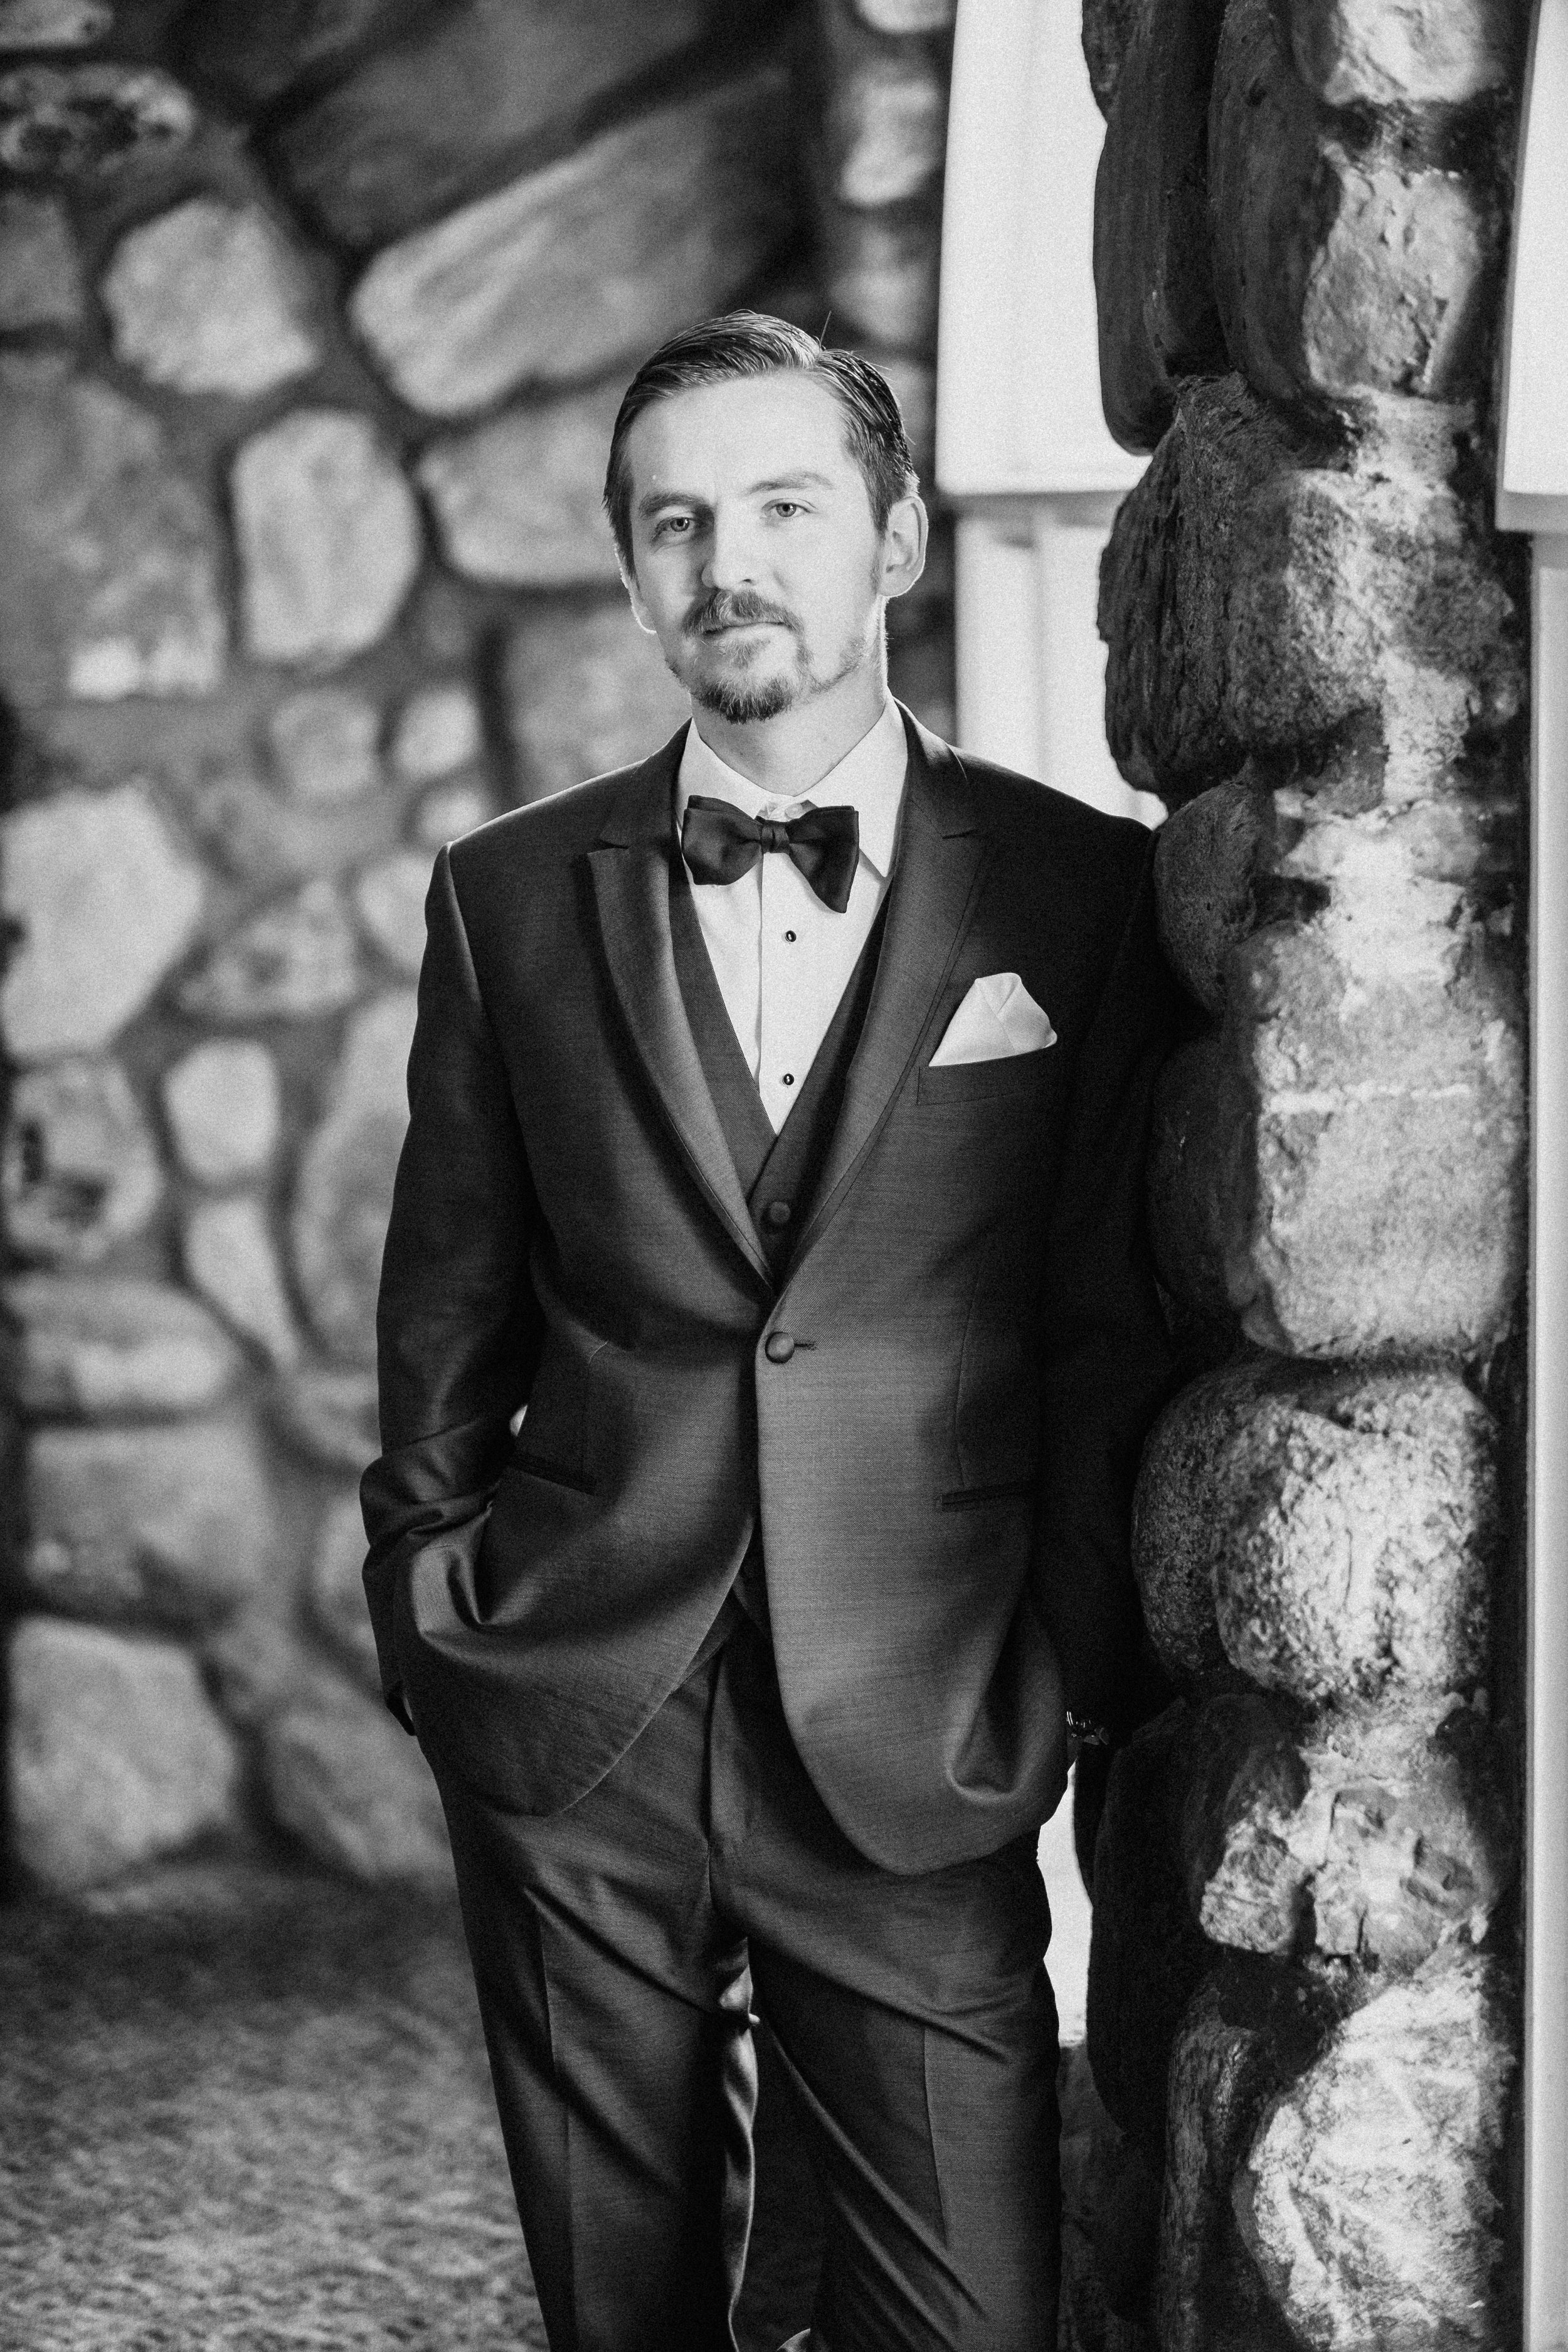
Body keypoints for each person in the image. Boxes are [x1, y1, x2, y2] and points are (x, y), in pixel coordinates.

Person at [360, 311, 1174, 2352]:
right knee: (621, 2315)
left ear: (895, 539)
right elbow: (446, 1306)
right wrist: (438, 1622)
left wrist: (1054, 1670)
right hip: (576, 1703)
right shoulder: (508, 896)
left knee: (964, 2313)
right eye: (677, 523)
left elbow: (1103, 1318)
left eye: (786, 507)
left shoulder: (1081, 894)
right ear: (635, 571)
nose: (730, 561)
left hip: (919, 1711)